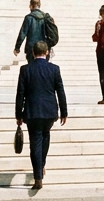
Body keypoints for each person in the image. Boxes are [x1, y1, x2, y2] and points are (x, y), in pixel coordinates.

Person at [15, 41, 67, 190]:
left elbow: (20, 94)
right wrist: (64, 112)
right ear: (47, 53)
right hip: (49, 111)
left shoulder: (25, 69)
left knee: (35, 143)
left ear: (33, 53)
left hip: (32, 111)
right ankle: (41, 165)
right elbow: (60, 91)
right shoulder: (54, 69)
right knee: (45, 137)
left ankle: (38, 176)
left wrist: (18, 114)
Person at [13, 0, 50, 64]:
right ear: (39, 5)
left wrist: (17, 48)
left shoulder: (29, 18)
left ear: (31, 6)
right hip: (43, 47)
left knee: (32, 68)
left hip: (31, 49)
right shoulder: (45, 17)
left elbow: (22, 34)